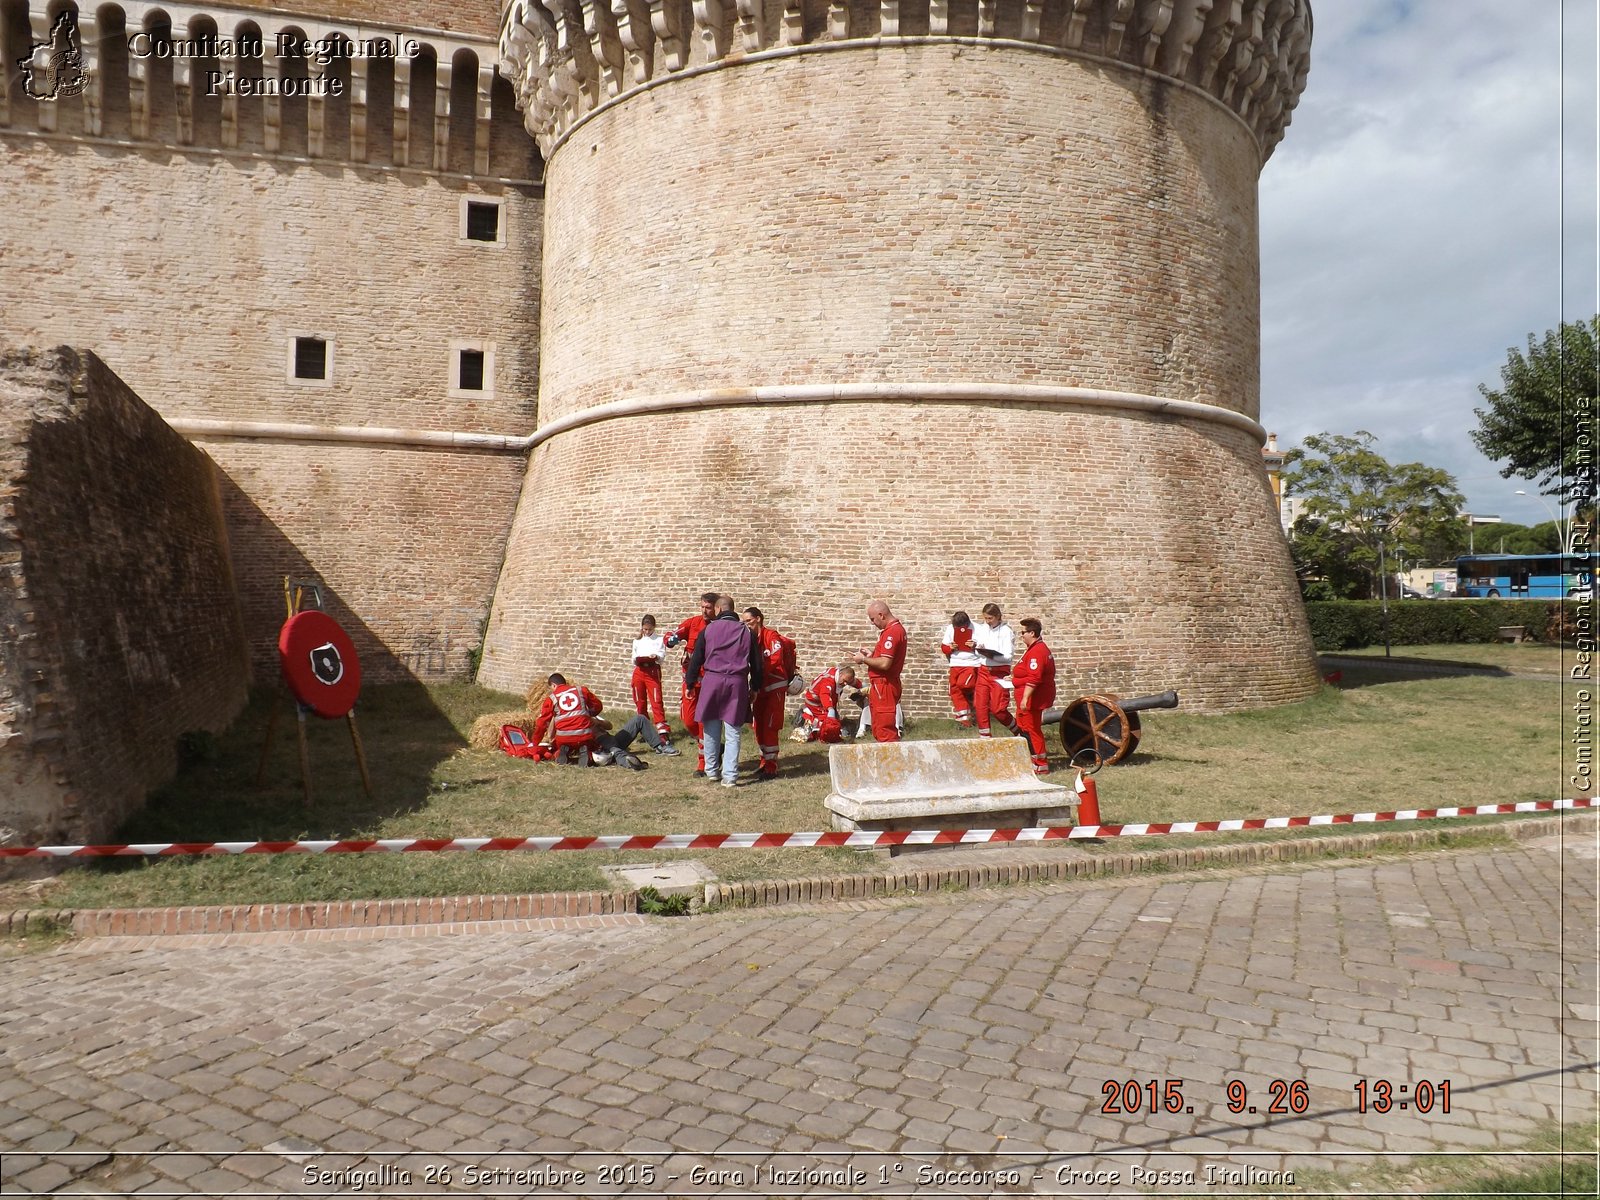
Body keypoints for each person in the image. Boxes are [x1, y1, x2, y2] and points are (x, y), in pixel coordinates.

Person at [531, 672, 680, 769]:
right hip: (597, 742)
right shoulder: (580, 694)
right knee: (612, 747)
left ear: (554, 686)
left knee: (640, 719)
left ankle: (660, 746)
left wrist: (596, 721)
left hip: (606, 737)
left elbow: (610, 725)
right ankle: (626, 760)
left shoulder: (580, 709)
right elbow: (551, 734)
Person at [687, 595, 761, 786]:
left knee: (711, 728)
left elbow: (696, 659)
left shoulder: (708, 630)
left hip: (712, 680)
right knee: (733, 730)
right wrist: (755, 687)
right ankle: (730, 776)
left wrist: (689, 683)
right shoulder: (747, 633)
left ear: (718, 609)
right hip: (737, 682)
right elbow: (756, 663)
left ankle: (711, 770)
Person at [742, 606, 798, 780]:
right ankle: (764, 762)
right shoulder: (750, 639)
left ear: (758, 619)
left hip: (775, 687)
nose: (746, 625)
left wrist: (759, 674)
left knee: (770, 726)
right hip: (760, 687)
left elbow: (775, 659)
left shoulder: (771, 636)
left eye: (749, 621)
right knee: (758, 725)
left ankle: (772, 766)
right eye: (744, 622)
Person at [667, 592, 718, 772]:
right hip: (690, 682)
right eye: (702, 607)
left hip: (709, 682)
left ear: (716, 608)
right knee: (688, 721)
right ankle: (712, 747)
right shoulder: (693, 623)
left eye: (708, 608)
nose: (704, 611)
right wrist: (670, 640)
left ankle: (703, 762)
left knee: (704, 722)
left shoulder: (719, 626)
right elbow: (674, 634)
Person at [851, 599, 907, 743]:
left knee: (885, 730)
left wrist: (863, 660)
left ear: (881, 615)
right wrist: (871, 656)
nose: (872, 623)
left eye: (873, 619)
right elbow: (884, 658)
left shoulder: (892, 633)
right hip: (881, 685)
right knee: (878, 727)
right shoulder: (892, 631)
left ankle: (891, 764)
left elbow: (885, 663)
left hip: (885, 686)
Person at [1011, 618, 1057, 774]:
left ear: (1032, 633)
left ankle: (1040, 763)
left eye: (1023, 632)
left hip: (1033, 699)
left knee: (1032, 730)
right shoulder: (1033, 649)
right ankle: (1032, 759)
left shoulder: (1037, 651)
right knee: (1024, 728)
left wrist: (1025, 698)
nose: (1021, 635)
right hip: (1027, 698)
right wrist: (1014, 680)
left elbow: (1035, 678)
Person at [971, 601, 1019, 738]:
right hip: (984, 670)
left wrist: (993, 656)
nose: (987, 621)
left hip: (999, 672)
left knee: (998, 709)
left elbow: (1008, 657)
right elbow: (977, 652)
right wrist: (978, 649)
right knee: (980, 705)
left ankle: (1017, 730)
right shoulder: (982, 629)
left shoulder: (1006, 631)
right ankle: (985, 737)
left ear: (998, 616)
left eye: (990, 618)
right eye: (985, 618)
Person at [791, 664, 861, 743]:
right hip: (816, 705)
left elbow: (853, 681)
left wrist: (861, 686)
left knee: (833, 723)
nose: (845, 684)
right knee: (828, 726)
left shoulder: (840, 676)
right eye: (844, 681)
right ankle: (806, 726)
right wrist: (830, 709)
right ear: (841, 674)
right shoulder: (827, 682)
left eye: (847, 682)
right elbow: (825, 696)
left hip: (824, 705)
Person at [630, 615, 671, 741]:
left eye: (649, 629)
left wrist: (656, 656)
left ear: (654, 627)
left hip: (652, 670)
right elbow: (633, 657)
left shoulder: (659, 639)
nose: (647, 632)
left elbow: (662, 656)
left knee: (656, 700)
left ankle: (662, 732)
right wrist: (637, 660)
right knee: (640, 701)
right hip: (639, 670)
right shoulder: (637, 641)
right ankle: (645, 730)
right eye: (645, 629)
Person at [939, 610, 982, 725]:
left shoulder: (978, 628)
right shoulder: (950, 628)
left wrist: (975, 646)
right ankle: (965, 719)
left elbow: (985, 648)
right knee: (954, 690)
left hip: (971, 664)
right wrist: (951, 648)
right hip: (955, 664)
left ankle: (975, 709)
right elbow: (944, 647)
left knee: (964, 685)